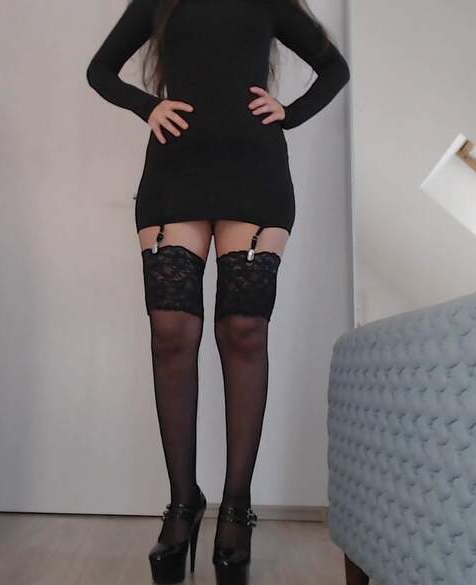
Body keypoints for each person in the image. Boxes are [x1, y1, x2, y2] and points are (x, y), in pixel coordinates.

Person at [86, 1, 349, 583]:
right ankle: (183, 501)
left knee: (243, 330)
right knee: (171, 330)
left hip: (254, 170)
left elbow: (335, 69)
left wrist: (290, 113)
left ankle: (236, 507)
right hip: (175, 169)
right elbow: (100, 70)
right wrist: (147, 106)